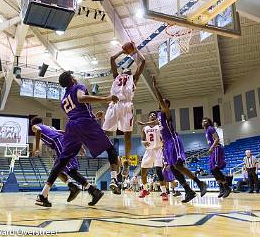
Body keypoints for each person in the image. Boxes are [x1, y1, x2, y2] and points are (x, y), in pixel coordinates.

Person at [35, 71, 120, 207]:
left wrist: (93, 116)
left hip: (72, 126)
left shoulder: (63, 100)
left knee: (61, 162)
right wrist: (105, 99)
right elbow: (81, 99)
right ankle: (114, 180)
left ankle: (43, 195)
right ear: (71, 79)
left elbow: (77, 111)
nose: (75, 77)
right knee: (110, 149)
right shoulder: (78, 86)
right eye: (73, 76)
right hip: (84, 123)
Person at [149, 75, 207, 203]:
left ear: (166, 105)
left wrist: (155, 87)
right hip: (167, 144)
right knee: (174, 169)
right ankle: (188, 191)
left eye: (164, 102)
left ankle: (200, 183)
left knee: (178, 165)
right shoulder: (158, 116)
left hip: (173, 141)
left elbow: (161, 101)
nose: (162, 103)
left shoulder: (166, 113)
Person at [102, 44, 145, 178]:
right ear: (121, 72)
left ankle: (126, 161)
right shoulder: (116, 77)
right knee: (105, 134)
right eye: (124, 68)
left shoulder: (134, 79)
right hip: (114, 104)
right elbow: (111, 59)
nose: (126, 69)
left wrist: (134, 50)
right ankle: (115, 160)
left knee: (127, 137)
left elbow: (142, 62)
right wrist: (122, 51)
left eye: (129, 69)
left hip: (127, 106)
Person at [31, 116, 84, 203]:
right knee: (57, 170)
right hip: (62, 141)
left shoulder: (35, 126)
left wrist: (37, 148)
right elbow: (63, 132)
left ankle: (88, 188)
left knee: (66, 169)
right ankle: (72, 186)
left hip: (58, 142)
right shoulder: (50, 127)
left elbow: (38, 131)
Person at [138, 111, 168, 201]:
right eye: (151, 115)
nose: (153, 116)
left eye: (154, 115)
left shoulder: (159, 126)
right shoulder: (145, 128)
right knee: (143, 171)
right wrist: (144, 142)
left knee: (158, 171)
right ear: (148, 117)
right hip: (149, 151)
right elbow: (142, 140)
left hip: (158, 149)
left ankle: (164, 192)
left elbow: (164, 138)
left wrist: (163, 144)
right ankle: (145, 190)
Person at [202, 117, 231, 198]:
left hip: (216, 148)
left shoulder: (211, 128)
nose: (204, 122)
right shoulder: (206, 131)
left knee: (215, 168)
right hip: (213, 150)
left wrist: (211, 148)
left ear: (209, 122)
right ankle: (221, 188)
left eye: (206, 121)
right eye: (203, 121)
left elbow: (217, 139)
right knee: (212, 170)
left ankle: (226, 187)